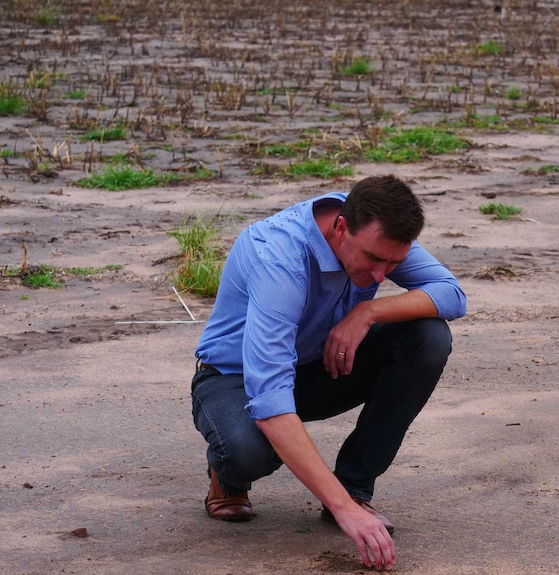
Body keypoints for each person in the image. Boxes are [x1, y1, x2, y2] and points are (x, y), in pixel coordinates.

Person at [190, 175, 466, 571]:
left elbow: (452, 293)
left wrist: (367, 312)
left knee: (428, 336)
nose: (380, 275)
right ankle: (228, 478)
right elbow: (268, 398)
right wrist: (342, 512)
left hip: (315, 368)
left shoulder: (376, 225)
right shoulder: (280, 259)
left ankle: (355, 488)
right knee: (248, 452)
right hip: (233, 379)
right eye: (374, 259)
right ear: (341, 227)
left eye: (393, 264)